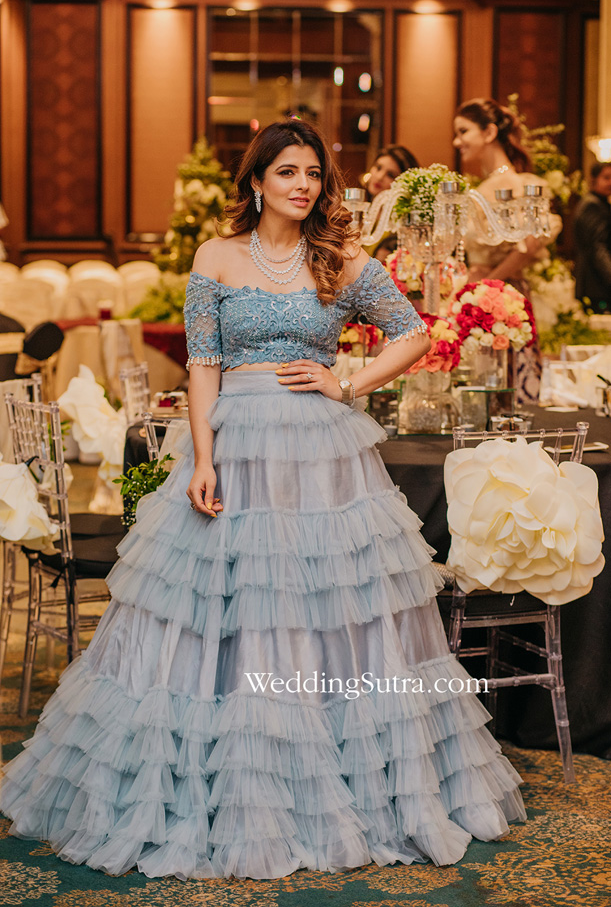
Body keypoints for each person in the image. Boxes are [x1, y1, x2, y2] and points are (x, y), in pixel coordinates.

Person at [0, 120, 525, 880]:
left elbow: (413, 333)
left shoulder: (341, 257)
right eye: (286, 172)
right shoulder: (215, 257)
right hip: (234, 443)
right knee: (224, 608)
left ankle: (333, 779)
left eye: (312, 173)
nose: (302, 185)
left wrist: (346, 382)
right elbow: (203, 364)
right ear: (256, 181)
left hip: (319, 455)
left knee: (321, 608)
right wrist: (202, 457)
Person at [453, 98, 560, 401]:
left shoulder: (513, 185)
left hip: (504, 299)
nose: (457, 141)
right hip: (483, 295)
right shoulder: (485, 187)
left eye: (463, 131)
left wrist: (490, 284)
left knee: (504, 386)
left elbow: (529, 245)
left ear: (489, 133)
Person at [573, 161, 611, 313]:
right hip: (596, 285)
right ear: (594, 179)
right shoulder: (592, 205)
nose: (610, 182)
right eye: (606, 178)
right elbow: (597, 248)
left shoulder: (600, 203)